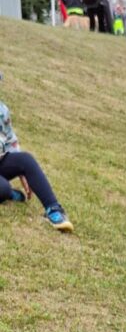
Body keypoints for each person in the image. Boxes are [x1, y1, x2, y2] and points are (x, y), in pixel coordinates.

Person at [0, 74, 73, 232]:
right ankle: (9, 193)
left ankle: (53, 210)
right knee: (3, 188)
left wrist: (21, 173)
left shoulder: (2, 111)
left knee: (26, 159)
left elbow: (10, 140)